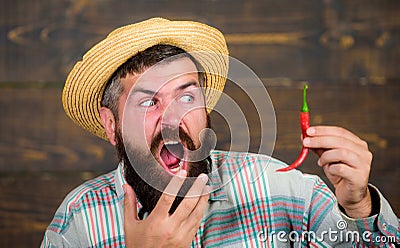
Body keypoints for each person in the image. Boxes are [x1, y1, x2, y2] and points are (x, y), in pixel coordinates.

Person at [41, 17, 399, 247]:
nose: (171, 122)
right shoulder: (79, 222)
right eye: (148, 102)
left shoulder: (278, 186)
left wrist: (358, 207)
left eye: (185, 96)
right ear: (112, 126)